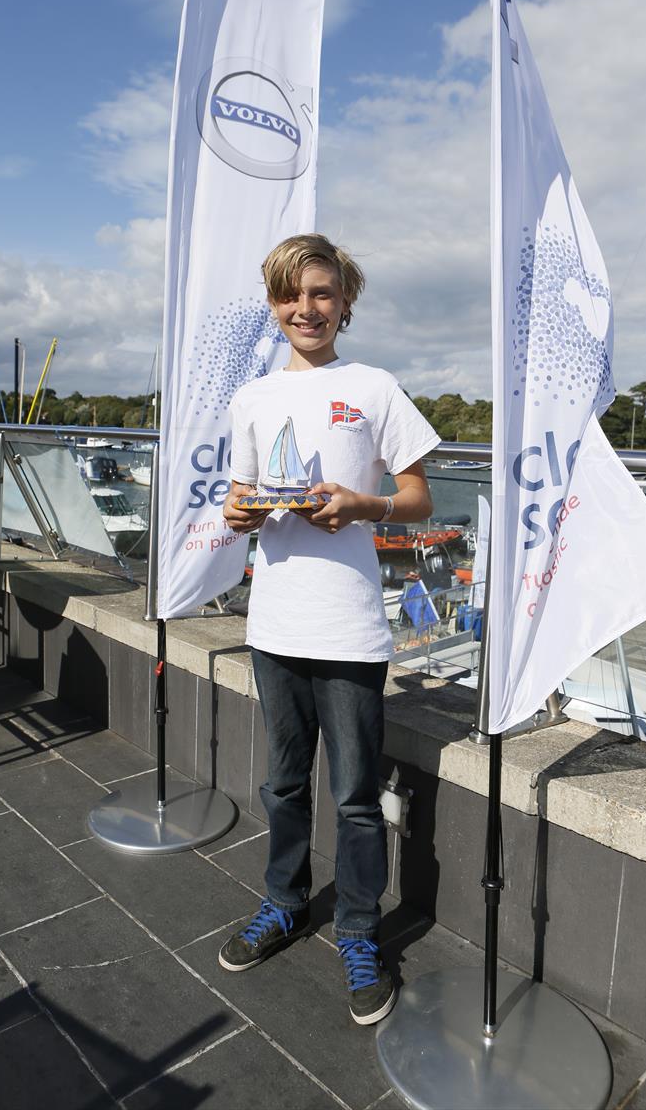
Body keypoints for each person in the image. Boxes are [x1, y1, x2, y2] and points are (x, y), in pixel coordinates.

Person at [219, 234, 440, 1026]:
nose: (305, 310)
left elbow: (419, 497)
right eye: (291, 296)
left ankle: (357, 931)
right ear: (273, 304)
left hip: (348, 630)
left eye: (321, 294)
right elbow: (242, 496)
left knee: (351, 796)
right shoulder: (250, 398)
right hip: (274, 623)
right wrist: (238, 511)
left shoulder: (375, 387)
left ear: (346, 301)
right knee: (281, 783)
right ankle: (281, 903)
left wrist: (365, 504)